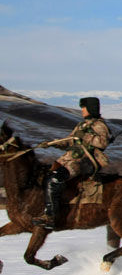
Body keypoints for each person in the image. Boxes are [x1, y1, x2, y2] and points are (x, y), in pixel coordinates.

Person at [32, 97, 111, 230]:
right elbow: (70, 141)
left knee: (55, 180)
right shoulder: (81, 125)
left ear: (90, 108)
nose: (82, 111)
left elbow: (103, 143)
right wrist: (52, 144)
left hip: (86, 161)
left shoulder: (99, 125)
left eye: (84, 108)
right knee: (45, 176)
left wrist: (85, 136)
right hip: (70, 159)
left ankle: (50, 216)